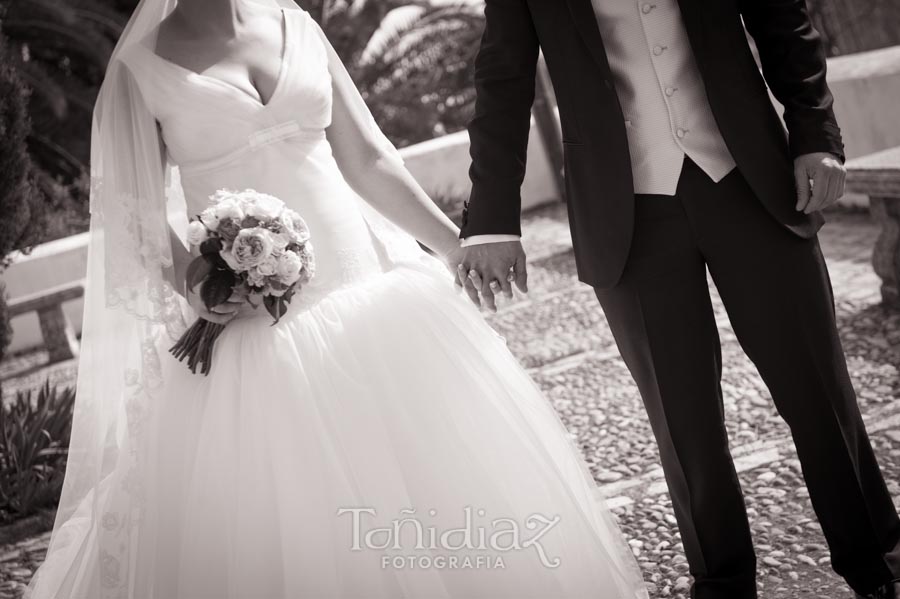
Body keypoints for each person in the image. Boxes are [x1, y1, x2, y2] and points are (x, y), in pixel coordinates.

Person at [26, 0, 648, 597]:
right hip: (258, 337)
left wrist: (453, 246)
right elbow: (129, 213)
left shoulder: (295, 23)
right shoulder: (140, 70)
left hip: (376, 306)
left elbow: (369, 157)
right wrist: (197, 280)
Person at [455, 1, 900, 598]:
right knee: (681, 419)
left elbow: (784, 26)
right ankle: (722, 582)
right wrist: (491, 223)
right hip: (626, 212)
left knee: (818, 388)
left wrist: (815, 136)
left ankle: (875, 559)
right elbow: (503, 77)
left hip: (753, 183)